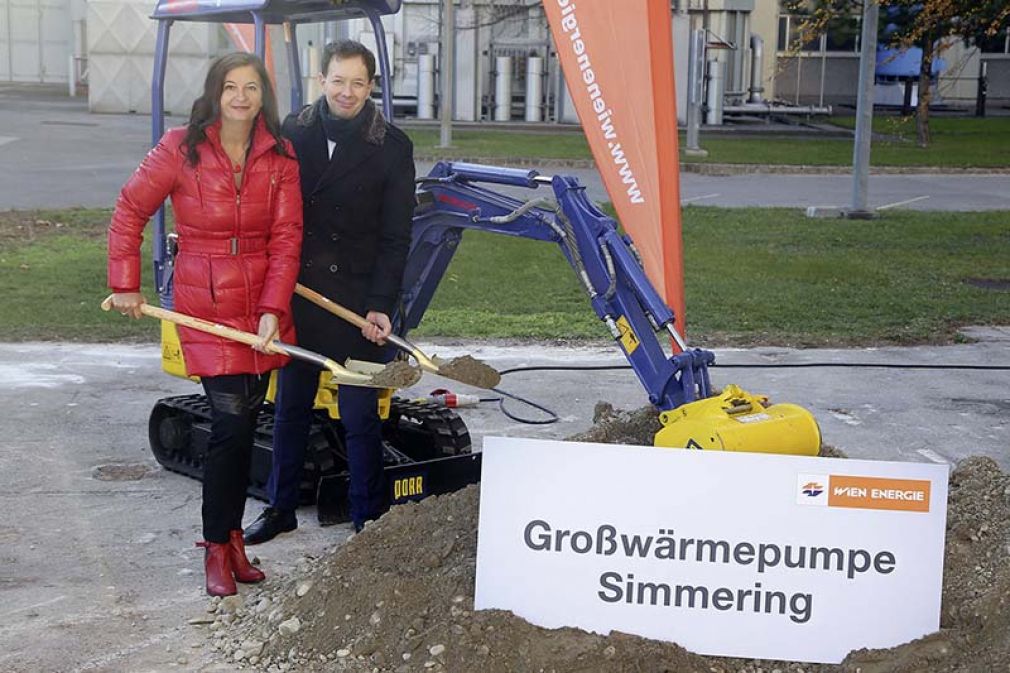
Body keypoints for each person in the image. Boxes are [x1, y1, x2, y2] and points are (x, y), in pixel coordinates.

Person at [107, 52, 303, 596]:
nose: (241, 97)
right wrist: (125, 282)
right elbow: (129, 210)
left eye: (252, 88)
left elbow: (287, 238)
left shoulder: (281, 156)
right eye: (231, 87)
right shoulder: (180, 148)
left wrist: (272, 306)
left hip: (262, 301)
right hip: (205, 298)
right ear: (215, 93)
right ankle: (216, 546)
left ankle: (234, 537)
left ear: (264, 96)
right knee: (232, 424)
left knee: (245, 427)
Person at [243, 39, 415, 544]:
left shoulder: (392, 146)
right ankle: (280, 508)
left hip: (357, 302)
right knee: (291, 406)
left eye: (357, 83)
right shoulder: (291, 131)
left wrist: (381, 305)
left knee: (360, 415)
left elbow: (395, 237)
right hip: (299, 292)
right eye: (337, 81)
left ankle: (368, 519)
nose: (346, 92)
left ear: (370, 86)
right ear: (322, 80)